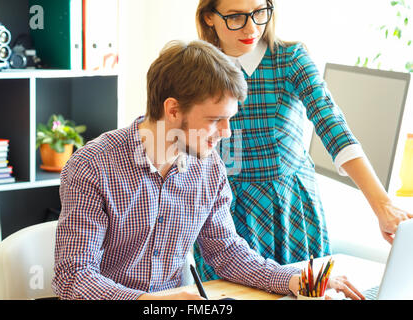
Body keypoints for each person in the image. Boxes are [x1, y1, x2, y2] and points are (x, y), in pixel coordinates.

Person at [52, 39, 364, 300]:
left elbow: (226, 251)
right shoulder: (92, 167)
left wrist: (293, 279)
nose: (227, 133)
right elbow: (73, 278)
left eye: (229, 119)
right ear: (173, 109)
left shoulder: (209, 166)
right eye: (215, 120)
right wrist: (154, 303)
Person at [193, 0, 413, 282]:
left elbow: (331, 123)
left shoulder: (290, 58)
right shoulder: (199, 67)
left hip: (291, 207)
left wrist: (382, 205)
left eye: (260, 12)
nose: (251, 27)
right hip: (225, 211)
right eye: (236, 16)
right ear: (209, 17)